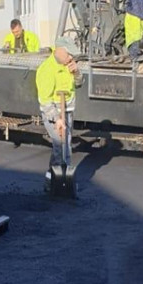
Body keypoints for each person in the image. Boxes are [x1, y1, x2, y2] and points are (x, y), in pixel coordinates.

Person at [35, 37, 84, 190]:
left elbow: (79, 84)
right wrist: (57, 119)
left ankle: (57, 180)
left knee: (65, 145)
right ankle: (54, 182)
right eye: (69, 54)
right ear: (60, 51)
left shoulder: (68, 65)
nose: (72, 58)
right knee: (60, 145)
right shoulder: (46, 70)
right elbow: (45, 101)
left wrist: (76, 73)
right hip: (53, 113)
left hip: (68, 110)